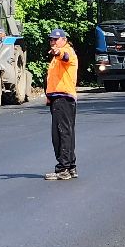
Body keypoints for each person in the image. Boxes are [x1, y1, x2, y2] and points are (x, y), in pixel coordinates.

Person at [43, 28, 78, 181]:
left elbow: (65, 56)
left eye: (56, 39)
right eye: (51, 39)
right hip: (61, 98)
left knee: (60, 134)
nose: (53, 42)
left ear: (64, 40)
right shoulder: (56, 58)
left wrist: (58, 52)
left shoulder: (66, 51)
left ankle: (63, 169)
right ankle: (70, 167)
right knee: (67, 132)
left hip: (63, 98)